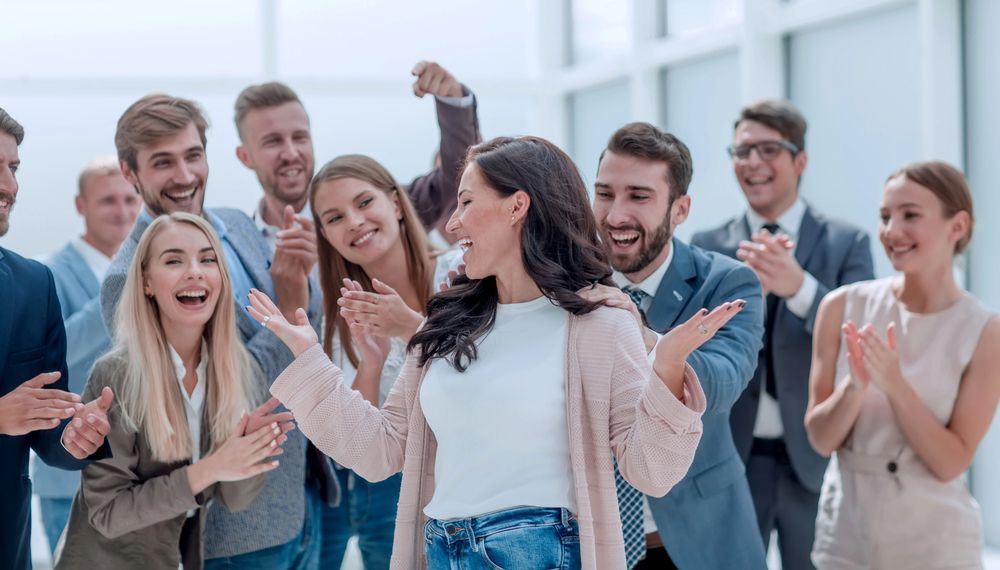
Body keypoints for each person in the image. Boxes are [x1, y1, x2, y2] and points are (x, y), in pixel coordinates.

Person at [249, 135, 745, 569]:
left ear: (517, 206)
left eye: (466, 202)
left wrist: (669, 368)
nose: (453, 220)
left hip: (539, 550)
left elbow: (649, 471)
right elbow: (381, 450)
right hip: (442, 549)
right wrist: (309, 361)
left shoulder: (599, 322)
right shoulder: (447, 321)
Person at [99, 94, 324, 568]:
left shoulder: (238, 225)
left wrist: (304, 279)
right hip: (234, 531)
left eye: (192, 155)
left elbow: (309, 327)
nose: (184, 176)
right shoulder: (125, 280)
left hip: (304, 500)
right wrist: (289, 300)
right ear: (130, 173)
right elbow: (222, 393)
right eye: (163, 162)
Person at [692, 99, 874, 568]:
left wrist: (802, 290)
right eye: (741, 151)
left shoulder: (846, 242)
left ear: (801, 160)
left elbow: (861, 341)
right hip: (730, 457)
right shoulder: (708, 247)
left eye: (768, 149)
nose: (752, 162)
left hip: (814, 458)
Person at [58, 213, 292, 569]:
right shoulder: (117, 374)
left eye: (207, 259)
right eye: (173, 260)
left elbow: (234, 499)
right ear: (147, 283)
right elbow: (107, 513)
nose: (195, 271)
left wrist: (250, 453)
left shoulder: (238, 371)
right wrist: (214, 466)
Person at [805, 161, 999, 568]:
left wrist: (894, 385)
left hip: (936, 543)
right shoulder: (841, 305)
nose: (892, 231)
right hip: (845, 537)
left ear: (957, 226)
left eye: (910, 215)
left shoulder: (984, 330)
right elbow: (821, 440)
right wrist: (854, 388)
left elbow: (951, 462)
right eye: (884, 216)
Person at [590, 122, 766, 569]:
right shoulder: (564, 283)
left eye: (639, 196)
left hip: (696, 540)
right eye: (605, 194)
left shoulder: (726, 281)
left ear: (680, 208)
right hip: (591, 545)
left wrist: (647, 339)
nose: (614, 215)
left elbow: (724, 381)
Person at [292, 153, 460, 568]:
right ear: (325, 236)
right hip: (392, 493)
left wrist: (411, 328)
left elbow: (488, 376)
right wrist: (370, 365)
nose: (353, 221)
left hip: (474, 476)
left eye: (364, 202)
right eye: (334, 218)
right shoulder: (340, 316)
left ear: (397, 204)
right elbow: (360, 441)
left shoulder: (462, 273)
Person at [0, 107, 112, 570]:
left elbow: (46, 426)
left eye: (13, 168)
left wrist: (75, 437)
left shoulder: (32, 284)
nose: (10, 186)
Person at [234, 60, 481, 249]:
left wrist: (452, 102)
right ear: (245, 157)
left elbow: (454, 182)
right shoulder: (236, 247)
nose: (290, 153)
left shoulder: (378, 211)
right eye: (273, 142)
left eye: (299, 137)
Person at [34, 156, 141, 553]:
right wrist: (117, 292)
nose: (123, 211)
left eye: (131, 200)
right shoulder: (47, 273)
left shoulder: (150, 272)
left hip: (133, 476)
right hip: (67, 478)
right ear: (81, 206)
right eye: (108, 201)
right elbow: (57, 352)